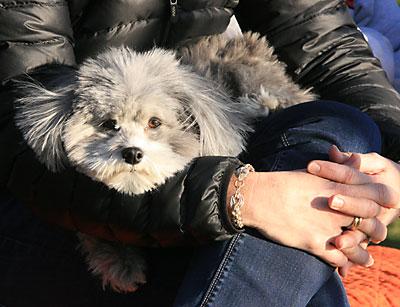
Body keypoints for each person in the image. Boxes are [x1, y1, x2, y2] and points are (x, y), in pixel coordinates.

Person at [0, 0, 400, 306]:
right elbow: (19, 132)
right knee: (289, 261)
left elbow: (321, 40)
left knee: (342, 125)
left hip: (196, 171)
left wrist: (378, 175)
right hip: (65, 207)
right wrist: (240, 198)